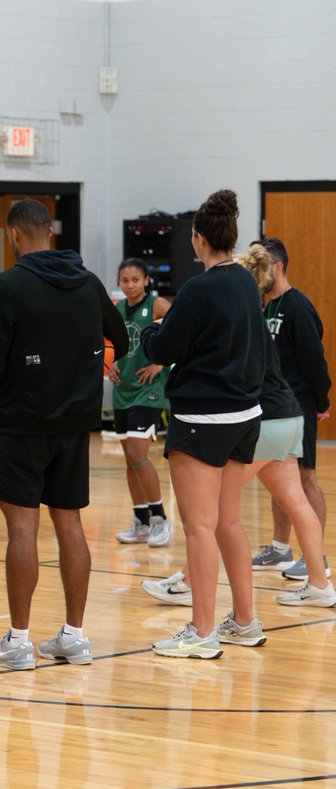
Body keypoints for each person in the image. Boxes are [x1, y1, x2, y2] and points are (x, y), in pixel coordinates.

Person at [0, 198, 127, 671]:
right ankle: (75, 637)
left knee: (22, 530)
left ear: (16, 235)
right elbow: (119, 338)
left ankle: (19, 642)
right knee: (70, 524)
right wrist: (87, 365)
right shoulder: (87, 281)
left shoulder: (4, 287)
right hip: (75, 425)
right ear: (49, 233)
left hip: (23, 424)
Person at [142, 243, 335, 610]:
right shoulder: (253, 312)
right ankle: (321, 583)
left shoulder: (245, 316)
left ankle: (187, 582)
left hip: (271, 417)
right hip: (289, 413)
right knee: (294, 498)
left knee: (212, 507)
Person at [141, 190, 266, 659]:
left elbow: (161, 348)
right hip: (245, 416)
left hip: (202, 419)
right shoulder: (245, 284)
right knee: (228, 522)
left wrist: (153, 328)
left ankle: (203, 630)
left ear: (198, 239)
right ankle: (246, 621)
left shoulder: (199, 289)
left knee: (198, 526)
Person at [251, 236, 332, 581]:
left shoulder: (298, 306)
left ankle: (317, 557)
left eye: (262, 267)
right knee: (278, 479)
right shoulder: (264, 306)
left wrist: (322, 401)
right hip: (272, 408)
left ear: (278, 267)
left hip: (299, 405)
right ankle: (280, 548)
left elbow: (315, 361)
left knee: (305, 478)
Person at [107, 258, 172, 547]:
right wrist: (107, 365)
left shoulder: (157, 306)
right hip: (123, 389)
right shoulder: (116, 309)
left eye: (135, 279)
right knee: (130, 459)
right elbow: (103, 343)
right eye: (125, 280)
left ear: (146, 280)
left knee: (137, 451)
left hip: (149, 389)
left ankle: (160, 518)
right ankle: (141, 521)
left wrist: (161, 363)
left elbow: (182, 330)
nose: (130, 284)